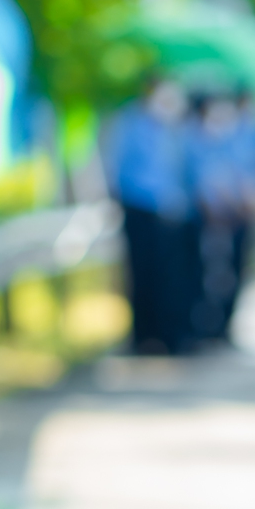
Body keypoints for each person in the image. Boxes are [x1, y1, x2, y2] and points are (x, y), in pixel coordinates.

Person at [104, 77, 199, 354]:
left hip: (173, 213)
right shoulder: (131, 124)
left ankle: (172, 335)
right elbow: (123, 169)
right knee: (142, 274)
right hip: (141, 210)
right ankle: (143, 336)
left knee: (173, 278)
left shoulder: (176, 128)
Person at [189, 90, 255, 343]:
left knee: (234, 271)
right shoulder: (201, 138)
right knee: (211, 272)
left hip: (236, 217)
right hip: (213, 219)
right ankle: (206, 325)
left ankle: (224, 326)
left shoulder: (240, 137)